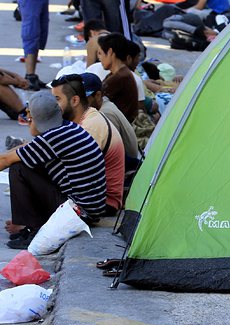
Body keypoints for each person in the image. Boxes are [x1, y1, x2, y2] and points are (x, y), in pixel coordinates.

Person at [1, 92, 106, 249]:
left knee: (19, 168)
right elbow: (23, 149)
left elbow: (6, 160)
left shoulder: (53, 137)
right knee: (26, 162)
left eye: (29, 116)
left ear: (33, 118)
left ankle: (32, 228)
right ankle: (28, 222)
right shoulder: (66, 128)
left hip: (79, 211)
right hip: (90, 207)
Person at [51, 74, 124, 215]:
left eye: (58, 99)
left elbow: (68, 167)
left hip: (103, 202)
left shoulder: (91, 127)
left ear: (74, 100)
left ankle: (28, 224)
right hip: (94, 196)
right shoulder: (87, 116)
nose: (54, 106)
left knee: (26, 171)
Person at [83, 72, 139, 161]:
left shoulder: (104, 113)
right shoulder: (104, 103)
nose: (80, 104)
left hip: (127, 165)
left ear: (97, 96)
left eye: (84, 99)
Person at [97, 33, 139, 122]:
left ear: (110, 52)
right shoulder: (121, 73)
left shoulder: (120, 77)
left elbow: (95, 100)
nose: (99, 58)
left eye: (100, 53)